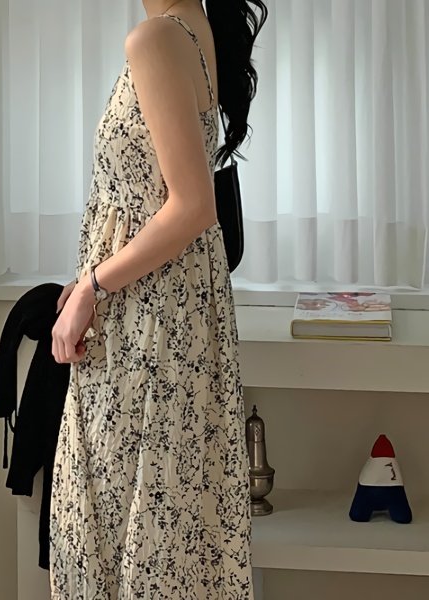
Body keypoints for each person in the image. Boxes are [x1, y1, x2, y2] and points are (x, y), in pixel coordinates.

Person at [50, 0, 267, 597]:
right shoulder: (194, 29)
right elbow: (153, 200)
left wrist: (93, 286)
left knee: (120, 529)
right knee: (166, 533)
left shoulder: (155, 39)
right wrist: (92, 275)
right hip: (170, 316)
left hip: (144, 330)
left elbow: (192, 206)